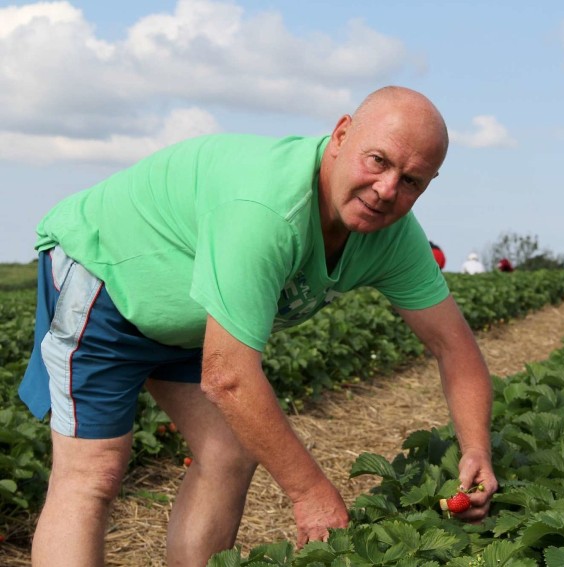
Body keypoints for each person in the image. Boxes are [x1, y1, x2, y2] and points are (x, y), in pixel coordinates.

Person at [18, 86, 497, 567]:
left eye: (412, 180)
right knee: (93, 473)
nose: (387, 189)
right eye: (377, 160)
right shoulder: (267, 210)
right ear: (341, 134)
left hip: (195, 306)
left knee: (229, 452)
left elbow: (454, 348)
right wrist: (309, 492)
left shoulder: (392, 237)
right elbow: (226, 376)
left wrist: (476, 449)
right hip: (110, 274)